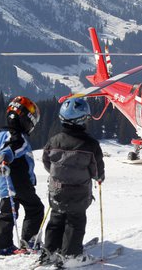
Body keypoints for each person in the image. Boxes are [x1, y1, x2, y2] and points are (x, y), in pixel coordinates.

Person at [38, 97, 105, 267]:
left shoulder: (54, 140)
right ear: (82, 120)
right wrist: (99, 178)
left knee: (56, 218)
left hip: (56, 190)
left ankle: (50, 252)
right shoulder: (90, 144)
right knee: (75, 221)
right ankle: (71, 255)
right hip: (78, 191)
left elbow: (46, 161)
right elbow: (96, 169)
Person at [0, 96, 44, 255]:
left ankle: (2, 244)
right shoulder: (18, 138)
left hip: (4, 181)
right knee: (35, 208)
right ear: (27, 120)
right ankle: (29, 242)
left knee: (8, 211)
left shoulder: (1, 135)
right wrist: (5, 159)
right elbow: (10, 149)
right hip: (18, 182)